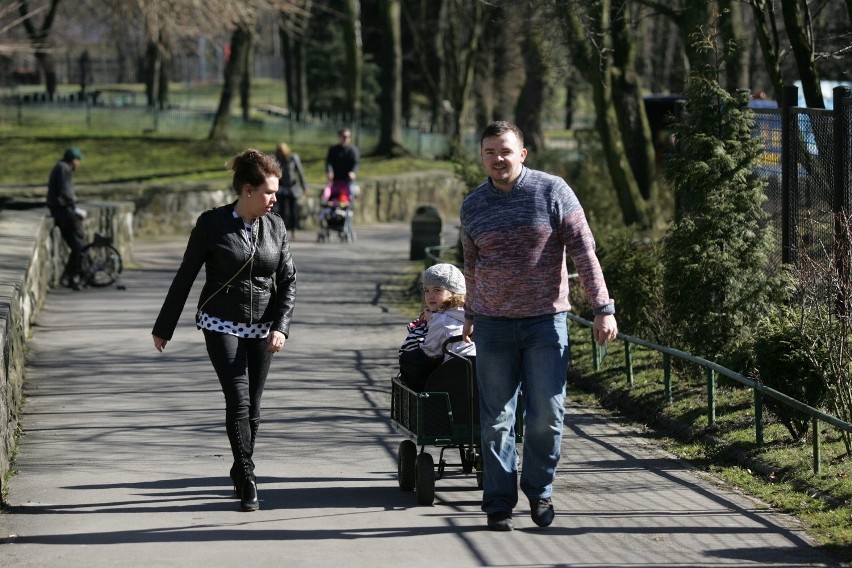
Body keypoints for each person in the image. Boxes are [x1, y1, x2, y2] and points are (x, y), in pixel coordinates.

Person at [460, 121, 618, 532]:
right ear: (483, 157)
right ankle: (497, 503)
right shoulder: (473, 205)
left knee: (546, 414)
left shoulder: (553, 191)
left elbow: (585, 251)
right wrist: (471, 313)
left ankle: (539, 489)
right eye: (490, 152)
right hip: (493, 326)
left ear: (523, 153)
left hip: (545, 323)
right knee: (496, 419)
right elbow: (472, 266)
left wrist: (603, 307)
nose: (498, 159)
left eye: (506, 151)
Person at [151, 148, 297, 513]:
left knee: (255, 407)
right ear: (247, 190)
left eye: (276, 192)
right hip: (221, 322)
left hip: (263, 325)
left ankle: (238, 463)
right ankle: (248, 475)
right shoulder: (211, 225)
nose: (274, 199)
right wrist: (164, 327)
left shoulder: (276, 227)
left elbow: (288, 279)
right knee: (238, 398)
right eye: (268, 192)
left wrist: (281, 327)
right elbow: (185, 275)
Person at [398, 263, 475, 391]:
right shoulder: (471, 314)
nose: (430, 296)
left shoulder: (441, 319)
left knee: (411, 362)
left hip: (458, 371)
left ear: (454, 292)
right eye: (426, 290)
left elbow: (430, 352)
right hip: (478, 366)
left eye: (437, 290)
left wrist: (406, 359)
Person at [46, 147, 86, 290]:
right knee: (78, 246)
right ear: (73, 160)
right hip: (63, 212)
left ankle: (70, 277)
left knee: (78, 245)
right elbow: (65, 191)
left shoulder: (61, 166)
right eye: (78, 160)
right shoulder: (64, 168)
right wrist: (74, 206)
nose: (79, 164)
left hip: (61, 210)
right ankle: (68, 276)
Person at [274, 142, 307, 237]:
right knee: (281, 210)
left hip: (293, 188)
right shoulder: (277, 159)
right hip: (282, 187)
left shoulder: (293, 158)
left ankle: (293, 230)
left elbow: (300, 173)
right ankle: (282, 231)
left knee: (293, 210)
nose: (281, 153)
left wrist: (304, 186)